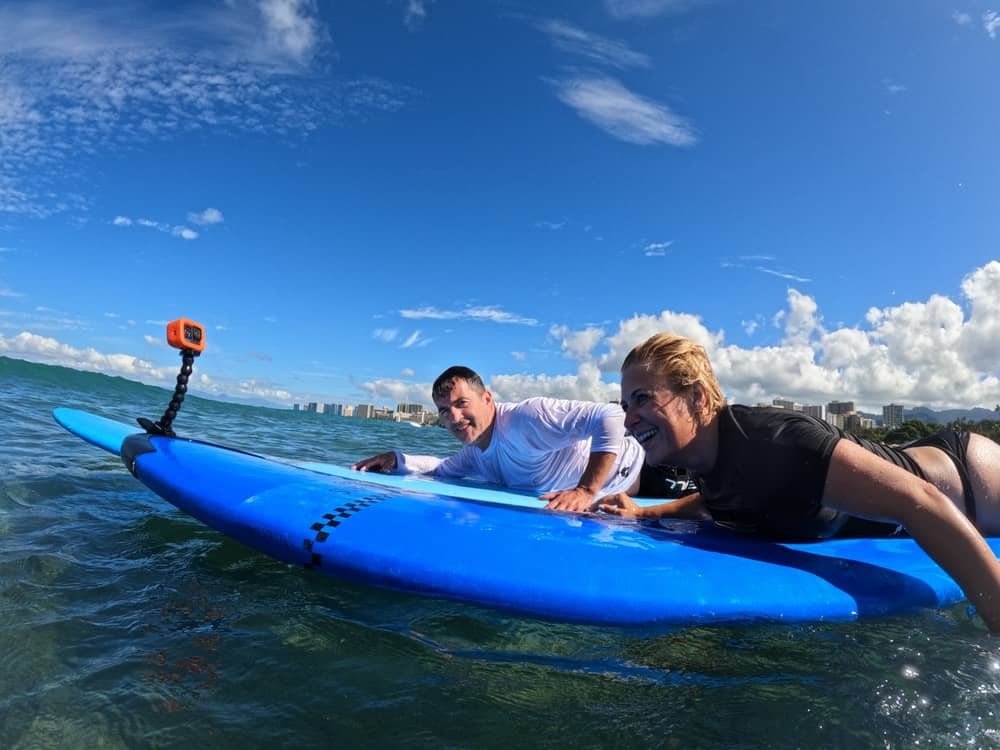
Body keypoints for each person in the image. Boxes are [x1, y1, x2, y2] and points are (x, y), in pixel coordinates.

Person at [593, 332, 1000, 633]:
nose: (628, 420)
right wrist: (645, 514)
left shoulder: (774, 440)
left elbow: (919, 500)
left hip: (967, 480)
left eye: (643, 399)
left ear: (697, 397)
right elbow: (715, 500)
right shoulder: (707, 459)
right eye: (625, 405)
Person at [351, 365, 644, 512]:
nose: (454, 417)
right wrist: (396, 459)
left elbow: (610, 415)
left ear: (488, 399)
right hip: (621, 490)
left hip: (645, 467)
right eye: (444, 411)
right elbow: (440, 468)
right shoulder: (474, 452)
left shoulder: (527, 419)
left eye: (462, 403)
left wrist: (585, 490)